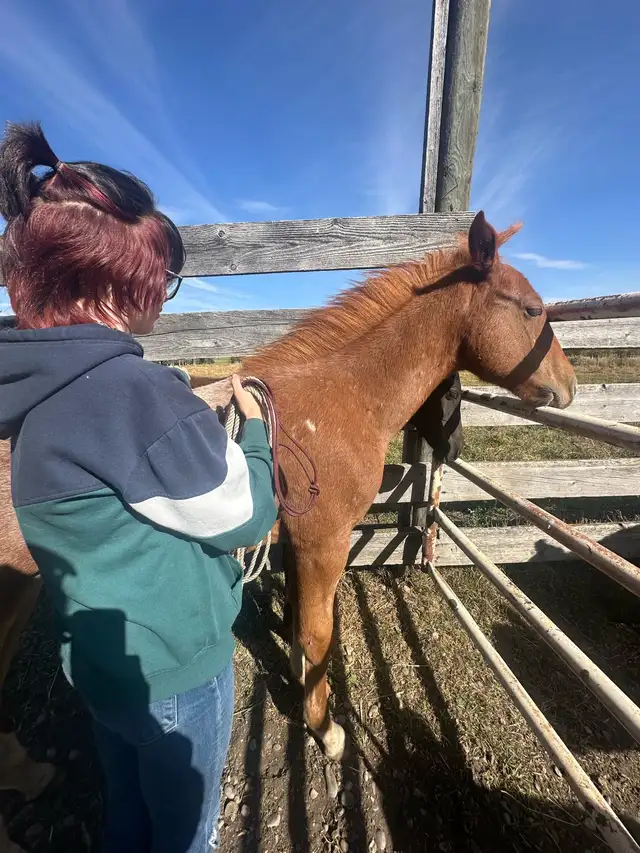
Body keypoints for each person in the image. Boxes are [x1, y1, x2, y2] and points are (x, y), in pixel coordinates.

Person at [0, 121, 278, 853]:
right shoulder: (138, 396)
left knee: (124, 803)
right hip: (175, 672)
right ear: (117, 285)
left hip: (94, 666)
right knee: (189, 830)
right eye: (163, 280)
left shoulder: (30, 401)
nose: (166, 297)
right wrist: (252, 433)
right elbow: (244, 515)